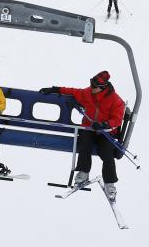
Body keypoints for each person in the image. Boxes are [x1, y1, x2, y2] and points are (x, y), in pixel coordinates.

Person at [39, 71, 126, 200]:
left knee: (107, 152)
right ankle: (83, 174)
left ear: (103, 87)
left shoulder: (116, 100)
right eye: (91, 84)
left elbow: (118, 120)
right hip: (89, 128)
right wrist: (55, 89)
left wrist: (104, 124)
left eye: (94, 86)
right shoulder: (88, 93)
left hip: (106, 132)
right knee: (84, 142)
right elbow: (72, 91)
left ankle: (110, 184)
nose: (91, 88)